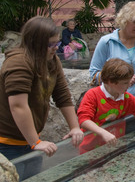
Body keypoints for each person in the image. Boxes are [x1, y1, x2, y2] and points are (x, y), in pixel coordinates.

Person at [0, 16, 84, 160]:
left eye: (57, 42)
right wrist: (35, 142)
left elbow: (62, 95)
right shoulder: (18, 63)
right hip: (7, 142)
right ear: (35, 44)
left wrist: (74, 127)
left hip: (32, 138)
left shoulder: (51, 59)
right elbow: (18, 106)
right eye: (51, 44)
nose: (56, 48)